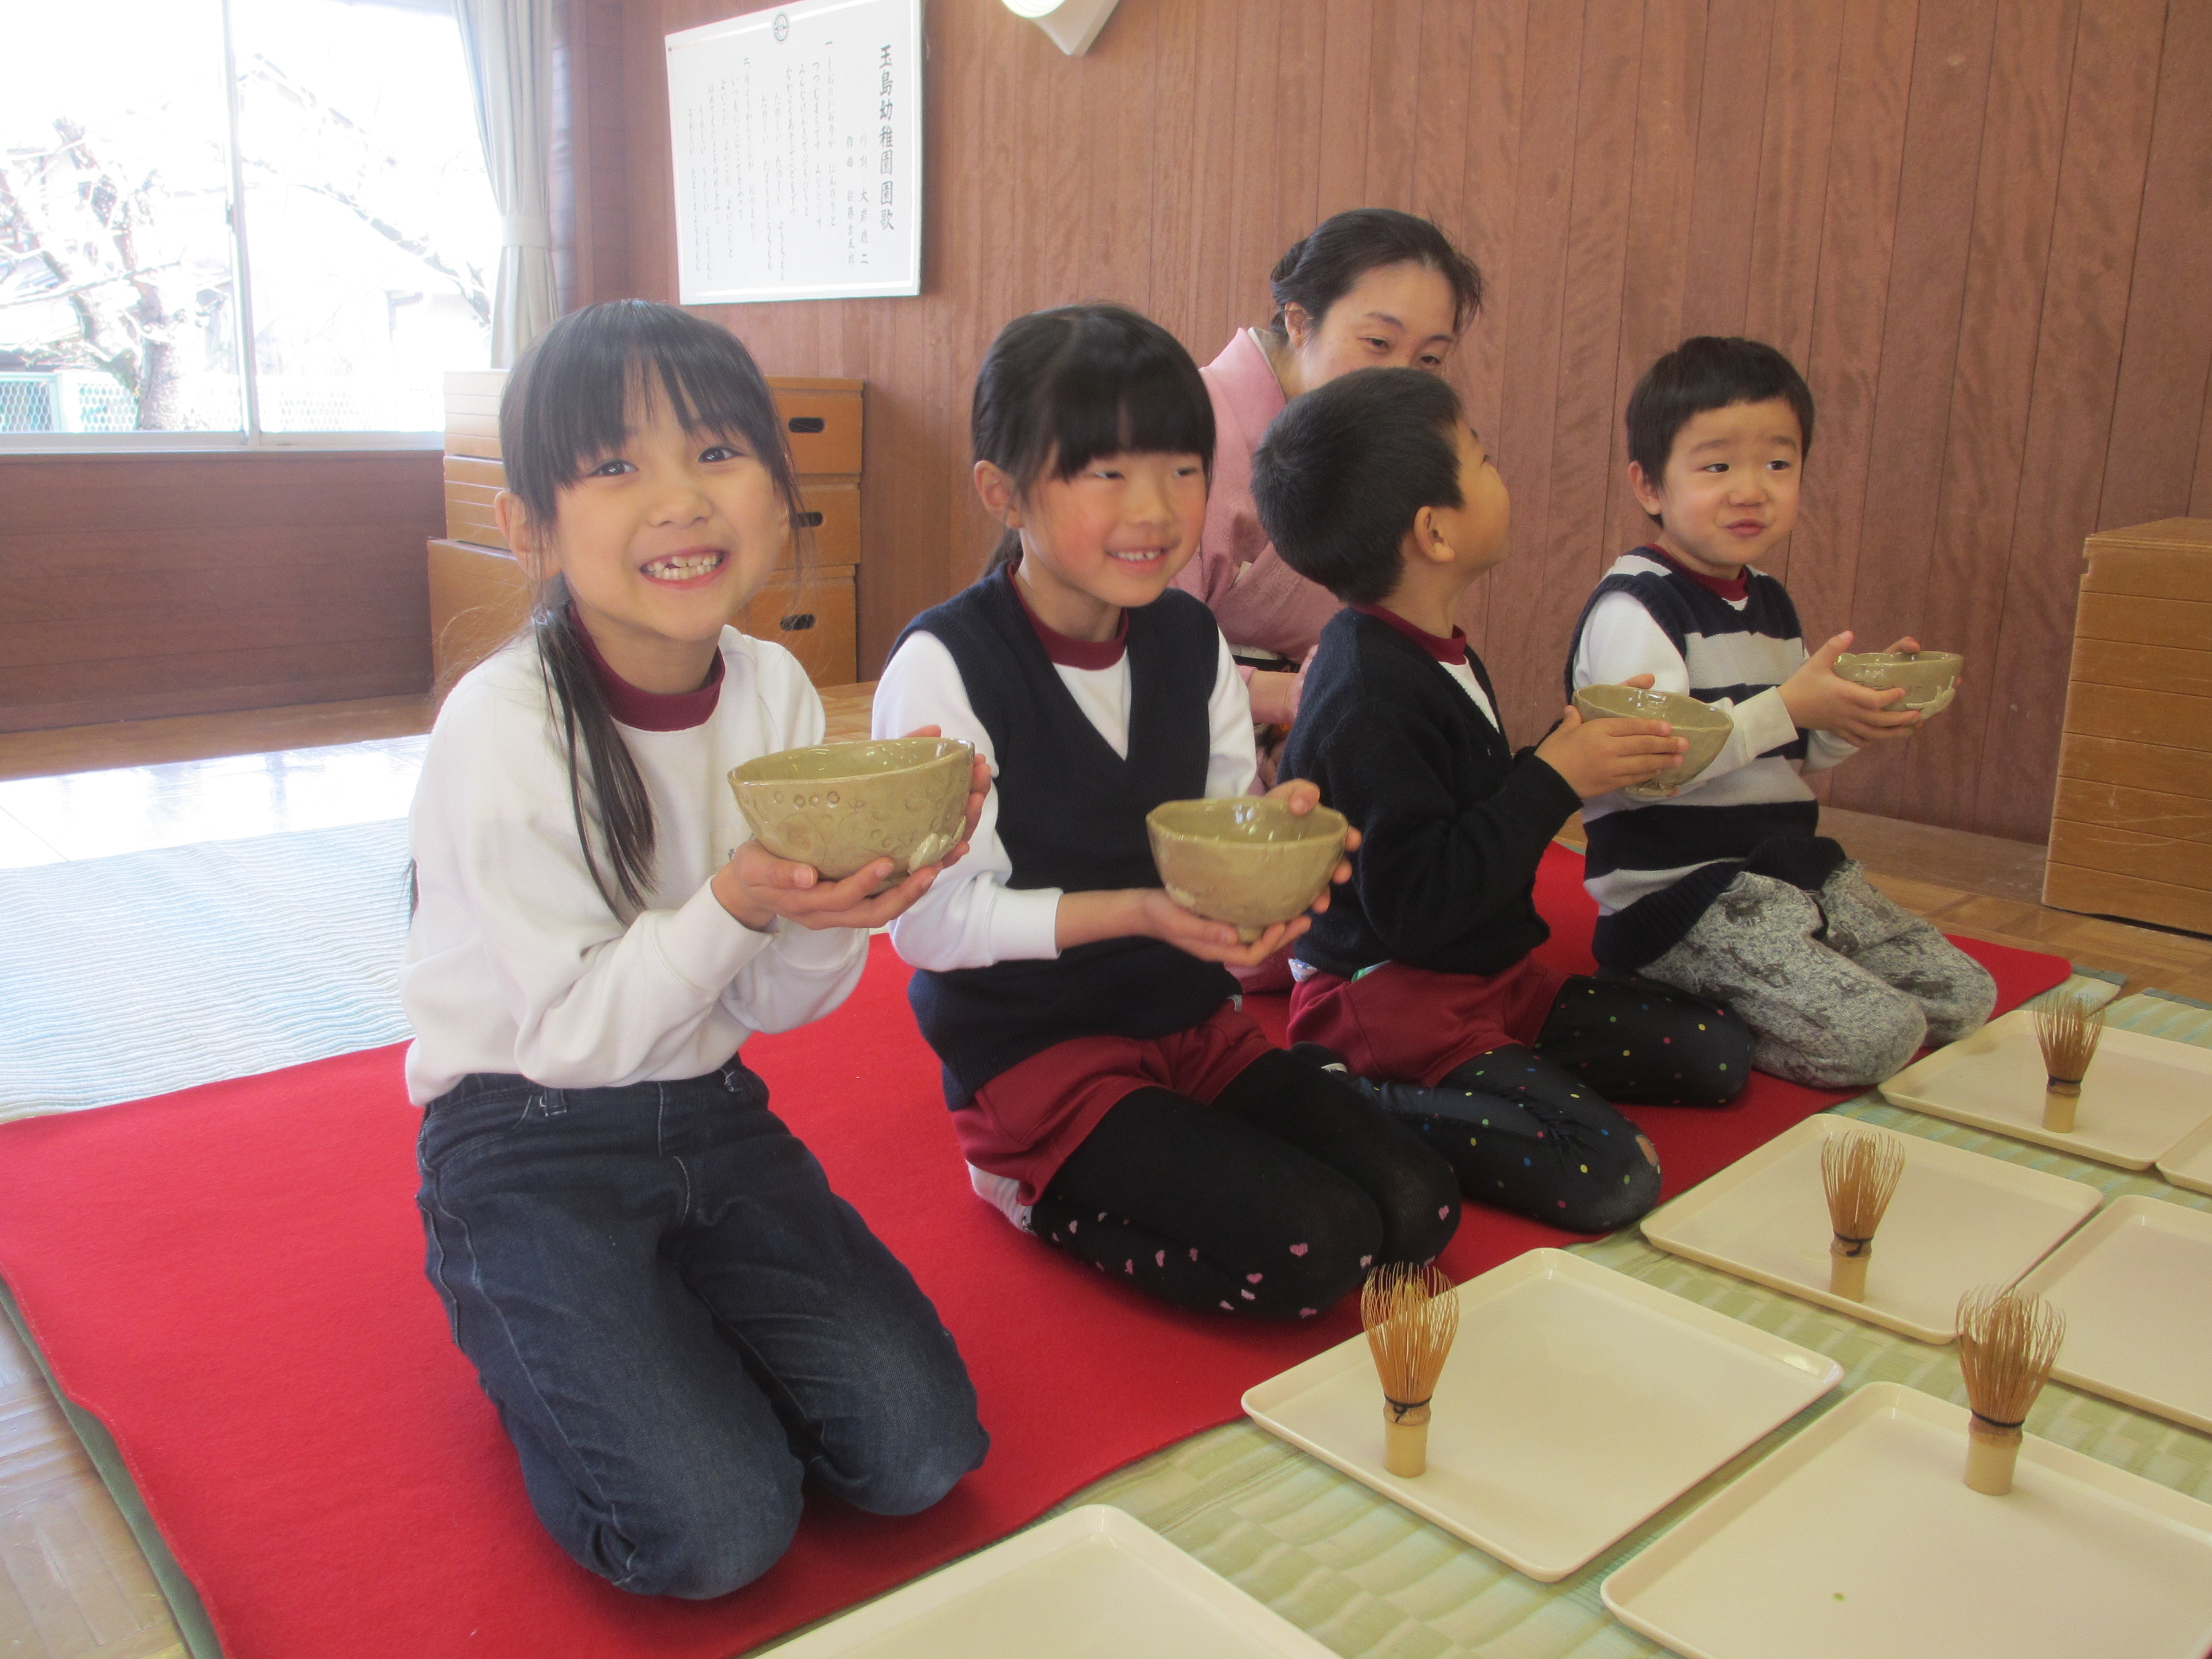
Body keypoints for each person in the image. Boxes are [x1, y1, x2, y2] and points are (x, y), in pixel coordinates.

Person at [401, 300, 987, 1599]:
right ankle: (524, 1319)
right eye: (616, 466)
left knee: (920, 1450)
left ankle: (662, 1328)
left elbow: (769, 1002)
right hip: (523, 1130)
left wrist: (854, 902)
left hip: (709, 1110)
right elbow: (568, 1031)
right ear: (532, 528)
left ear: (780, 497)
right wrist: (736, 896)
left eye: (719, 452)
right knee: (713, 1533)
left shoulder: (772, 688)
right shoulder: (498, 725)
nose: (680, 499)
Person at [873, 303, 1459, 1320]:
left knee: (1418, 1209)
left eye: (1183, 468)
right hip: (1039, 1055)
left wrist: (1273, 831)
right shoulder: (944, 668)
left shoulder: (1191, 641)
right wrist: (1140, 910)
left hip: (1192, 1024)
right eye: (1106, 474)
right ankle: (1023, 1180)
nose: (1155, 508)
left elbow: (1222, 815)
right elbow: (927, 923)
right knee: (1315, 1250)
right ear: (1002, 493)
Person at [1254, 367, 1752, 1233]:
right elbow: (1418, 909)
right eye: (1482, 459)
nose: (1498, 473)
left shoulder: (1429, 640)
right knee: (1609, 1174)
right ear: (1436, 532)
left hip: (1489, 976)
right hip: (1394, 995)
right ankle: (1341, 1094)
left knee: (1718, 1052)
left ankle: (1490, 1069)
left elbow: (1467, 816)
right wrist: (1554, 777)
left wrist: (1568, 755)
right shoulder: (1369, 689)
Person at [1566, 335, 1997, 1087]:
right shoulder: (1637, 605)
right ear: (1650, 485)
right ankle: (1685, 1010)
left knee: (1965, 996)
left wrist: (1853, 714)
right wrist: (1788, 705)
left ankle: (1789, 975)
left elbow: (1787, 749)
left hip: (1784, 874)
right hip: (1684, 897)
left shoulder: (1768, 597)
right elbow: (1649, 772)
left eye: (1777, 464)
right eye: (1717, 466)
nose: (1750, 490)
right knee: (1879, 1035)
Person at [1173, 207, 1486, 745]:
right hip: (1182, 739)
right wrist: (1283, 696)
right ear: (1298, 321)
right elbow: (1140, 651)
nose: (1400, 379)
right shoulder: (1190, 430)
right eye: (1378, 344)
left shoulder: (1369, 450)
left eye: (1430, 359)